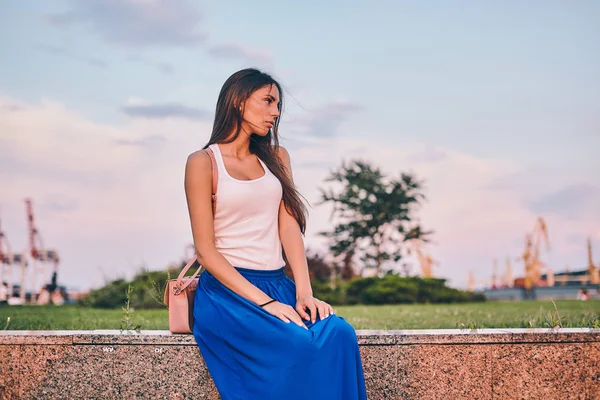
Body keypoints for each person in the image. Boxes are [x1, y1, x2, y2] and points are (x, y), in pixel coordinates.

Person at [184, 68, 368, 400]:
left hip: (277, 283)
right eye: (268, 101)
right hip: (229, 294)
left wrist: (304, 292)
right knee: (296, 343)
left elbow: (289, 227)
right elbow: (205, 251)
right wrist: (266, 303)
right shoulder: (203, 162)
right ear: (239, 101)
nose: (276, 112)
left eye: (278, 104)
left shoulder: (277, 158)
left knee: (340, 333)